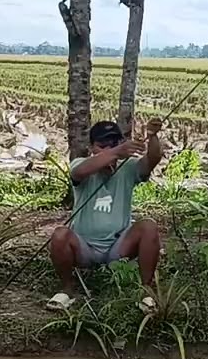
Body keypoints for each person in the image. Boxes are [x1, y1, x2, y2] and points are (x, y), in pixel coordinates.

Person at [47, 118, 164, 310]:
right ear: (92, 147)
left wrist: (152, 136)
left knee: (148, 226)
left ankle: (147, 292)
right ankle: (67, 290)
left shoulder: (128, 167)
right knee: (60, 234)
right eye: (102, 146)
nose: (108, 149)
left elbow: (153, 159)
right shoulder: (81, 163)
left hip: (118, 247)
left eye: (113, 143)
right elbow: (78, 172)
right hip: (84, 248)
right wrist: (117, 151)